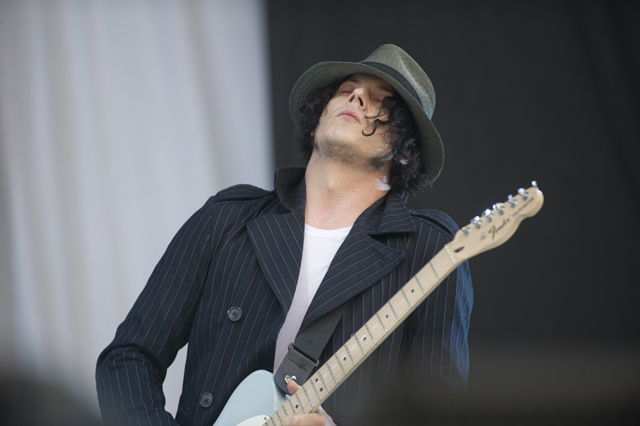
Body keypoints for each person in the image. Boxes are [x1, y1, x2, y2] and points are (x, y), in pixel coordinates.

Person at [96, 44, 473, 426]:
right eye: (347, 88)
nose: (357, 95)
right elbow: (129, 358)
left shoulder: (432, 252)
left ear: (407, 151)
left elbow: (441, 416)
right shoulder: (227, 218)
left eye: (382, 101)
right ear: (317, 115)